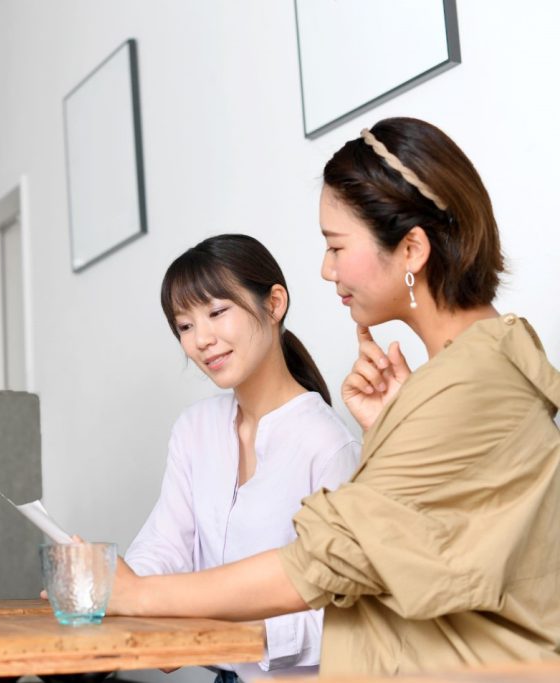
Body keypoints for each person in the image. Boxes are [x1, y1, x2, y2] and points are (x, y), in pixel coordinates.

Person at [108, 118, 560, 676]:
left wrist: (142, 597)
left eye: (336, 245)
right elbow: (435, 550)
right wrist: (389, 430)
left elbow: (324, 563)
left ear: (412, 248)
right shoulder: (471, 370)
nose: (326, 270)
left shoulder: (470, 384)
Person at [124, 234, 359, 682]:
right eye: (185, 326)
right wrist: (114, 593)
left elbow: (349, 614)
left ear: (274, 304)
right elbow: (167, 542)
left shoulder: (329, 445)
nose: (202, 340)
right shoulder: (195, 429)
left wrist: (224, 631)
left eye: (216, 312)